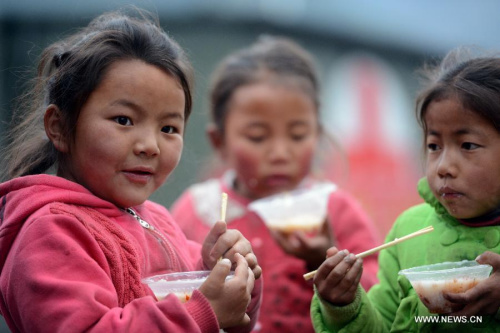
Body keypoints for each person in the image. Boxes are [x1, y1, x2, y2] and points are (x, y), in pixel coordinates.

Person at [0, 8, 263, 333]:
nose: (150, 145)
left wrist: (225, 276)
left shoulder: (158, 221)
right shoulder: (51, 234)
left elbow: (219, 316)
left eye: (168, 128)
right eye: (124, 120)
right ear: (60, 127)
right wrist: (204, 311)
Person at [170, 35, 380, 333]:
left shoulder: (335, 210)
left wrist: (326, 261)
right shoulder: (197, 210)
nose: (280, 154)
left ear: (317, 134)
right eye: (257, 137)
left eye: (297, 135)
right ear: (220, 142)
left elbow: (379, 297)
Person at [311, 47, 500, 332]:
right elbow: (383, 325)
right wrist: (343, 305)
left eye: (468, 145)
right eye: (434, 146)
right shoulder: (407, 230)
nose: (444, 167)